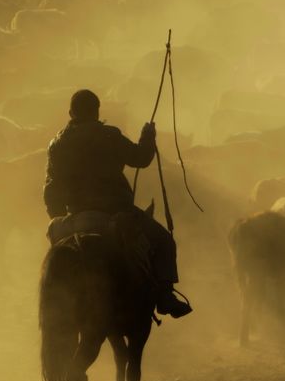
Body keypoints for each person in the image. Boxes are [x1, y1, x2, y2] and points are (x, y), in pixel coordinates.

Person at [43, 89, 193, 318]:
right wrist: (148, 137)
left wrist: (58, 216)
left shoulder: (56, 144)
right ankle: (164, 296)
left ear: (71, 112)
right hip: (115, 212)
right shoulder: (109, 136)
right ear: (97, 111)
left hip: (74, 214)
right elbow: (141, 158)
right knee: (164, 241)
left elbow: (51, 187)